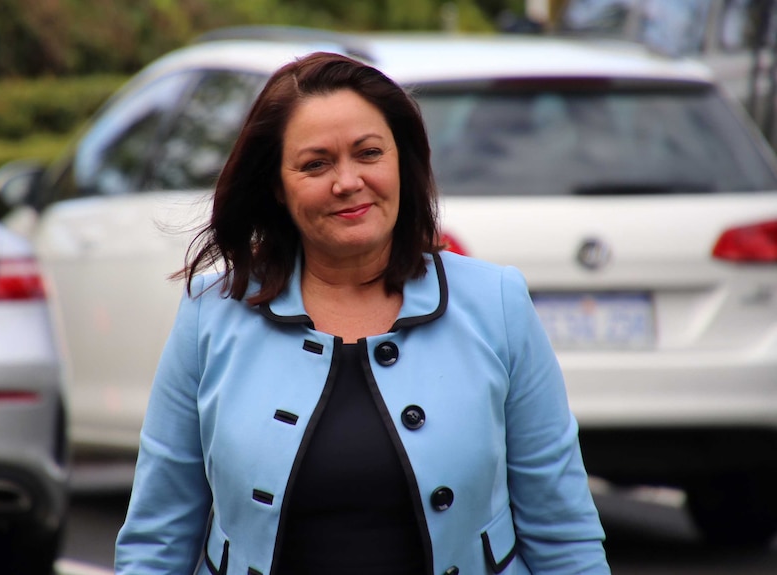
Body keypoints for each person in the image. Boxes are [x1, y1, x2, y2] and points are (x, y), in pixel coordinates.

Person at [114, 51, 610, 575]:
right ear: (276, 189)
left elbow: (564, 534)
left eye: (368, 153)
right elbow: (157, 538)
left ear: (402, 162)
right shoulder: (210, 316)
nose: (347, 181)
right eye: (315, 164)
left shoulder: (498, 303)